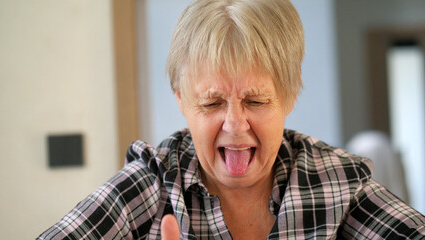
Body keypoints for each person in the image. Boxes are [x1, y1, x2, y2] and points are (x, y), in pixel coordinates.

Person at [38, 0, 425, 239]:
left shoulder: (336, 183)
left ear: (289, 96)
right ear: (182, 100)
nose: (235, 125)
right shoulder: (151, 186)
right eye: (211, 104)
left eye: (256, 100)